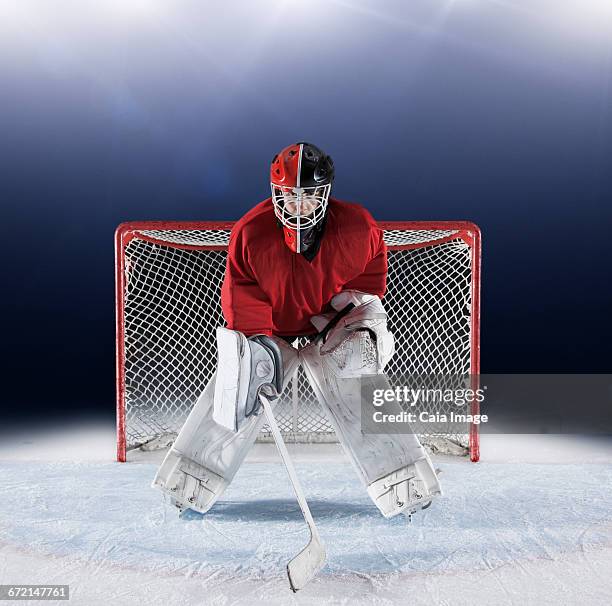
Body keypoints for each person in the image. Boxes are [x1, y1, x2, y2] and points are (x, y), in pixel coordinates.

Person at [153, 142, 441, 520]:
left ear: (326, 194)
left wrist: (353, 318)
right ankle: (190, 481)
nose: (298, 206)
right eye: (289, 197)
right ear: (276, 194)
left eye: (308, 197)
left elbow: (370, 277)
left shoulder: (358, 227)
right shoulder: (251, 233)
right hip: (273, 327)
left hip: (328, 321)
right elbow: (241, 290)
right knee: (240, 380)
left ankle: (405, 485)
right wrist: (255, 345)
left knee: (357, 368)